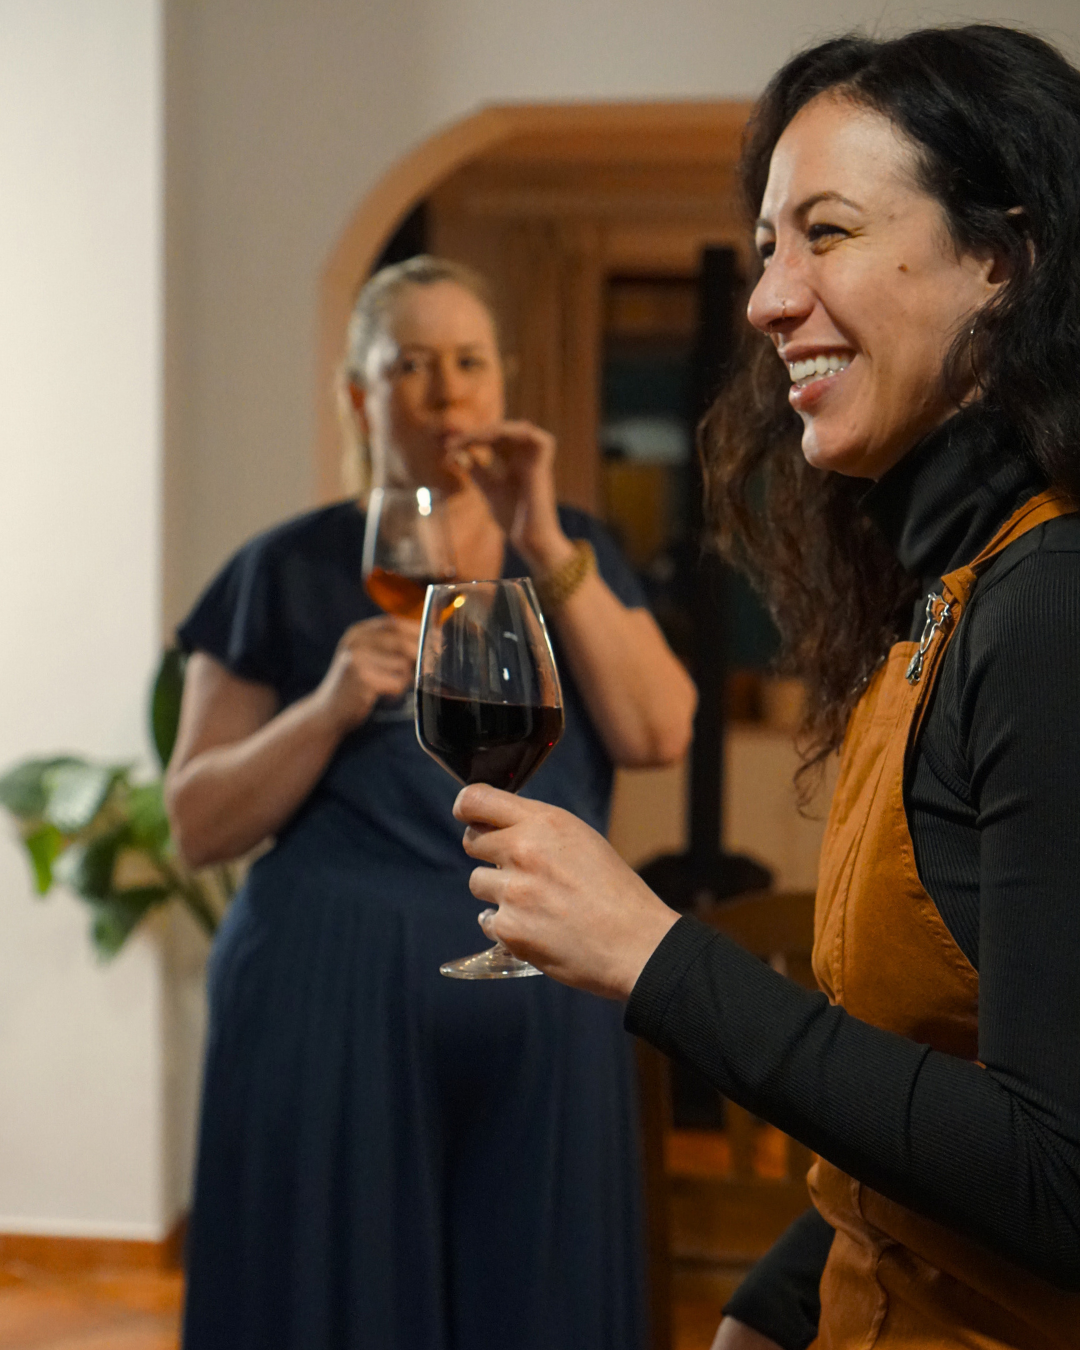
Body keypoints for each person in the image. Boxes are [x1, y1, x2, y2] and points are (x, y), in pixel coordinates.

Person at [452, 26, 1080, 1350]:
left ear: (1002, 259)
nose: (767, 300)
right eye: (766, 246)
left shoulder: (1050, 604)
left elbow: (1058, 1178)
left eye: (828, 232)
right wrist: (781, 1299)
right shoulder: (947, 589)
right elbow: (929, 1068)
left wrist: (655, 955)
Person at [166, 255, 696, 1350]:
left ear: (503, 383)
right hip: (326, 1002)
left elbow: (660, 732)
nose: (446, 392)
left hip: (544, 981)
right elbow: (196, 820)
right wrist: (324, 709)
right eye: (410, 364)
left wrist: (544, 543)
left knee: (541, 1294)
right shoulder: (284, 567)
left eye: (468, 362)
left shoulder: (571, 553)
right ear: (360, 396)